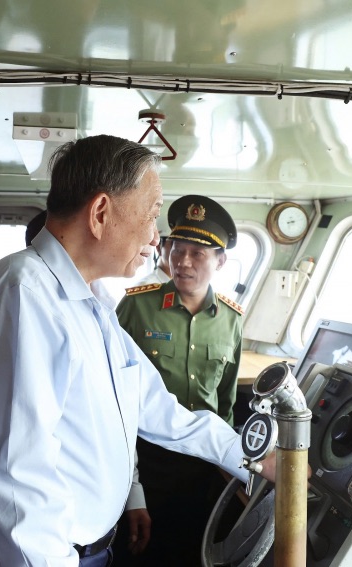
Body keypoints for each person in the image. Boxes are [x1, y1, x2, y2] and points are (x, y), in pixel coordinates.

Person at [0, 134, 275, 567]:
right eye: (151, 215)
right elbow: (16, 479)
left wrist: (255, 460)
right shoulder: (25, 293)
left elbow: (160, 409)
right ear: (101, 213)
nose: (157, 239)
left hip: (87, 549)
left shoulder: (91, 301)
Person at [115, 195, 243, 567]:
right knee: (137, 552)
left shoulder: (232, 320)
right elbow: (114, 394)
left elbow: (226, 399)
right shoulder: (136, 306)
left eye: (198, 254)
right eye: (176, 249)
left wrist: (230, 464)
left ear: (220, 261)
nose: (182, 261)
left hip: (202, 465)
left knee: (190, 552)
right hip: (145, 461)